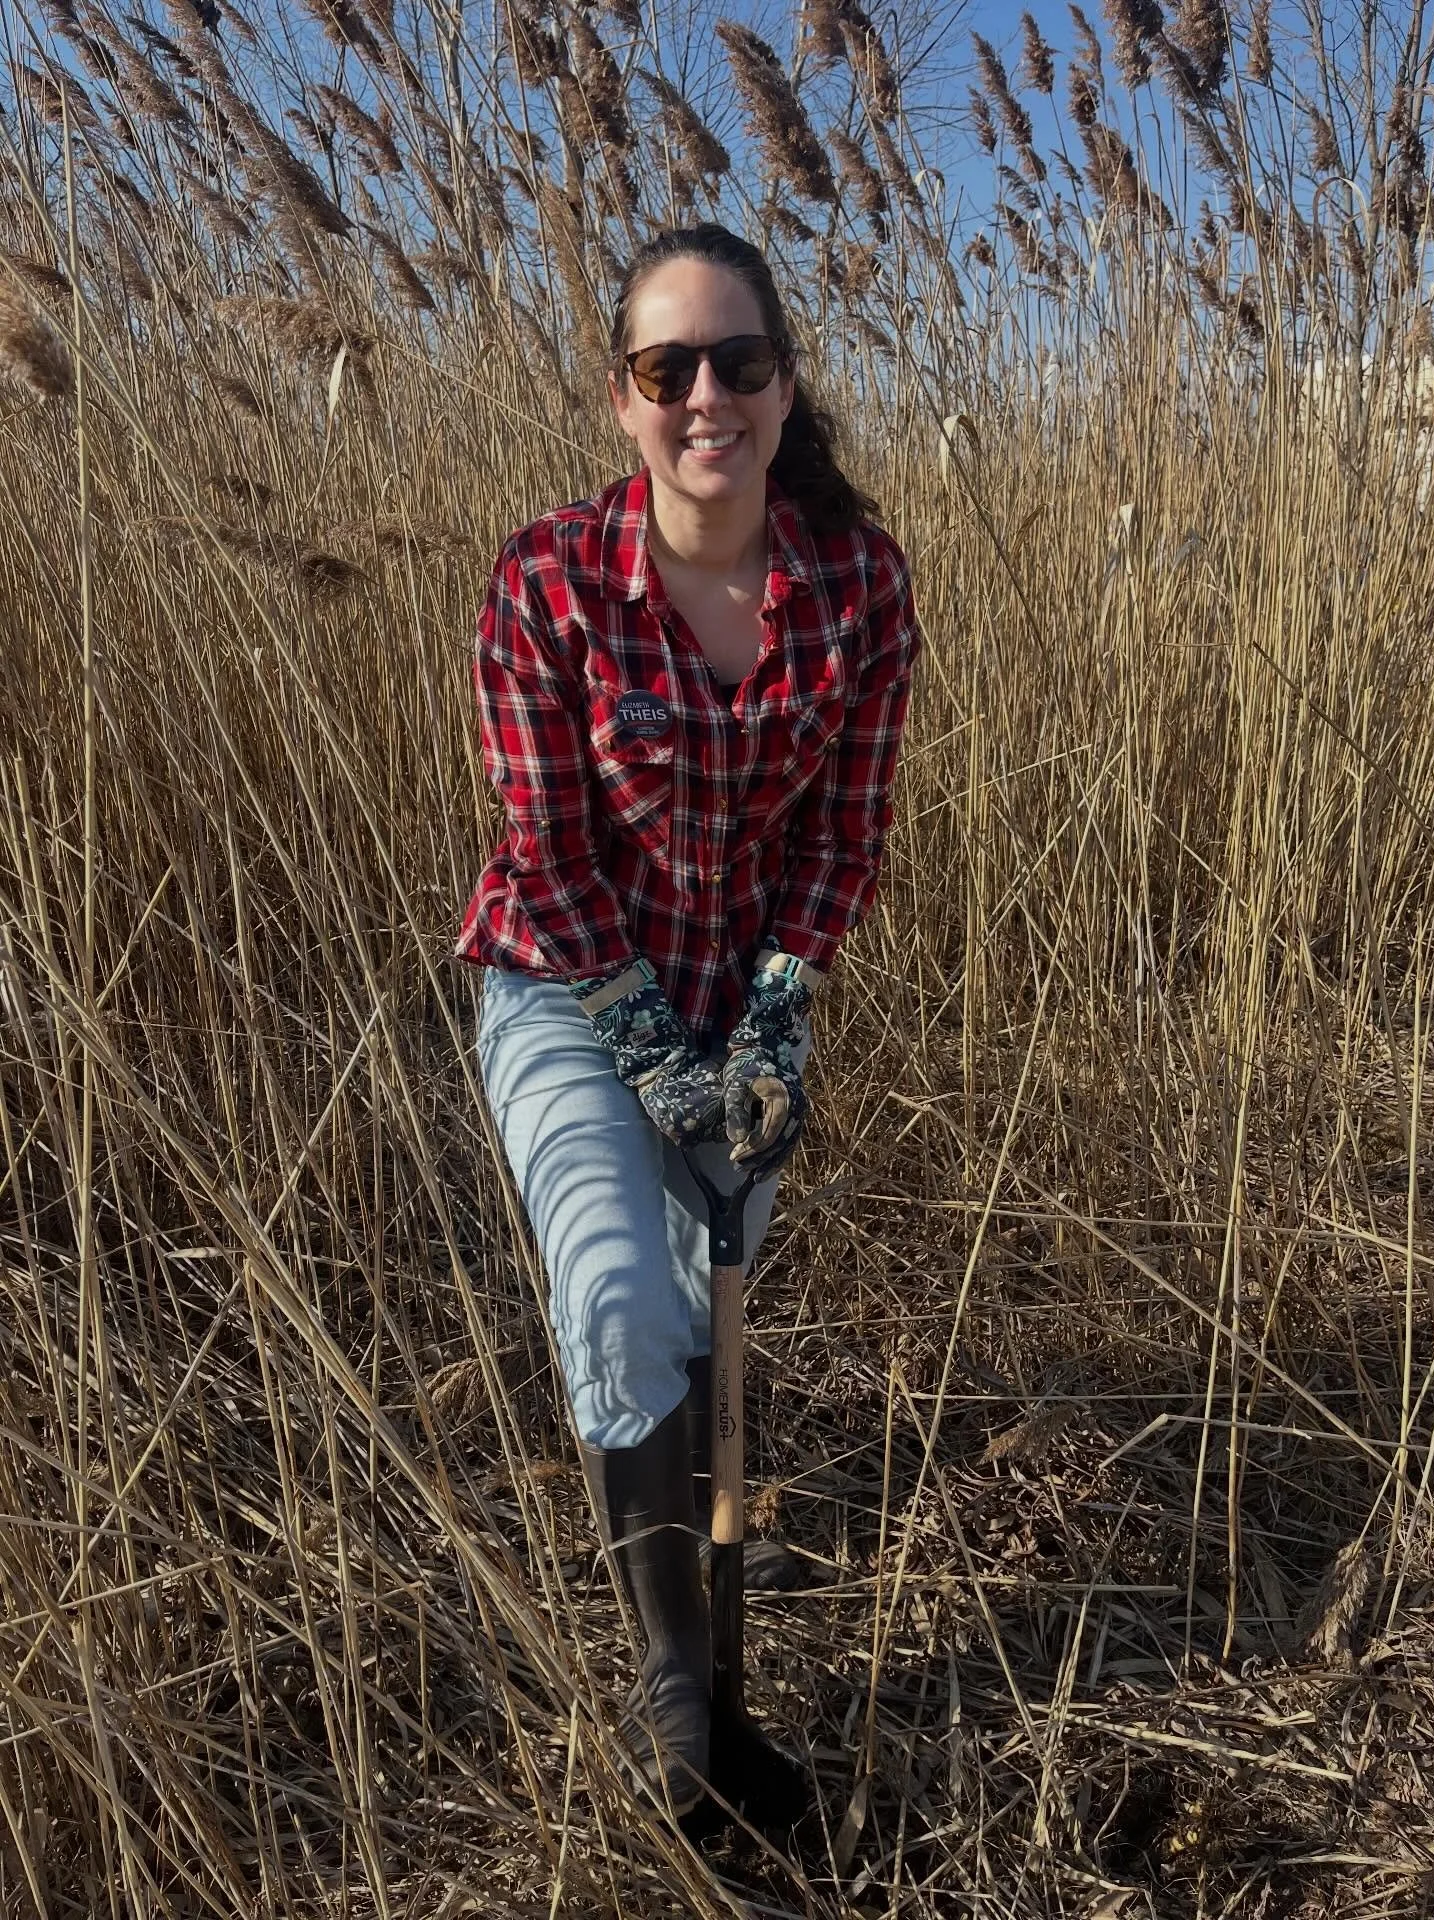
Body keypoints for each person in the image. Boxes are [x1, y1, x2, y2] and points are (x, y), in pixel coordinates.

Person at [456, 222, 919, 1813]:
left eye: (740, 361)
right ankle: (679, 1716)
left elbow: (842, 840)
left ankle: (732, 1688)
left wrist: (777, 1012)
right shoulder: (550, 583)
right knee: (627, 1310)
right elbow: (548, 857)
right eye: (670, 369)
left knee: (713, 1322)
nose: (706, 394)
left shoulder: (856, 584)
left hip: (743, 1011)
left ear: (788, 390)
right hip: (568, 992)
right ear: (624, 399)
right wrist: (650, 1052)